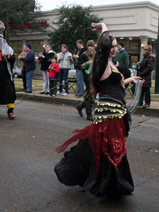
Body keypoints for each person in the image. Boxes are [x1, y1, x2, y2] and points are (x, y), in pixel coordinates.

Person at [54, 22, 142, 197]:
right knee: (109, 145)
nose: (114, 49)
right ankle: (108, 184)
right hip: (108, 113)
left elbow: (114, 84)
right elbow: (104, 43)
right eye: (112, 46)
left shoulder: (112, 64)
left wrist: (129, 80)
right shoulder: (100, 63)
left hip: (117, 111)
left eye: (116, 46)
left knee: (102, 143)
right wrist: (103, 26)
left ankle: (110, 180)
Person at [75, 39, 95, 121]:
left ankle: (80, 106)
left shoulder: (96, 55)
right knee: (91, 94)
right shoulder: (84, 55)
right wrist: (86, 64)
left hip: (95, 77)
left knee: (89, 94)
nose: (90, 48)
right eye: (89, 46)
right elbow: (79, 66)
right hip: (87, 76)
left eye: (91, 46)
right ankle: (89, 114)